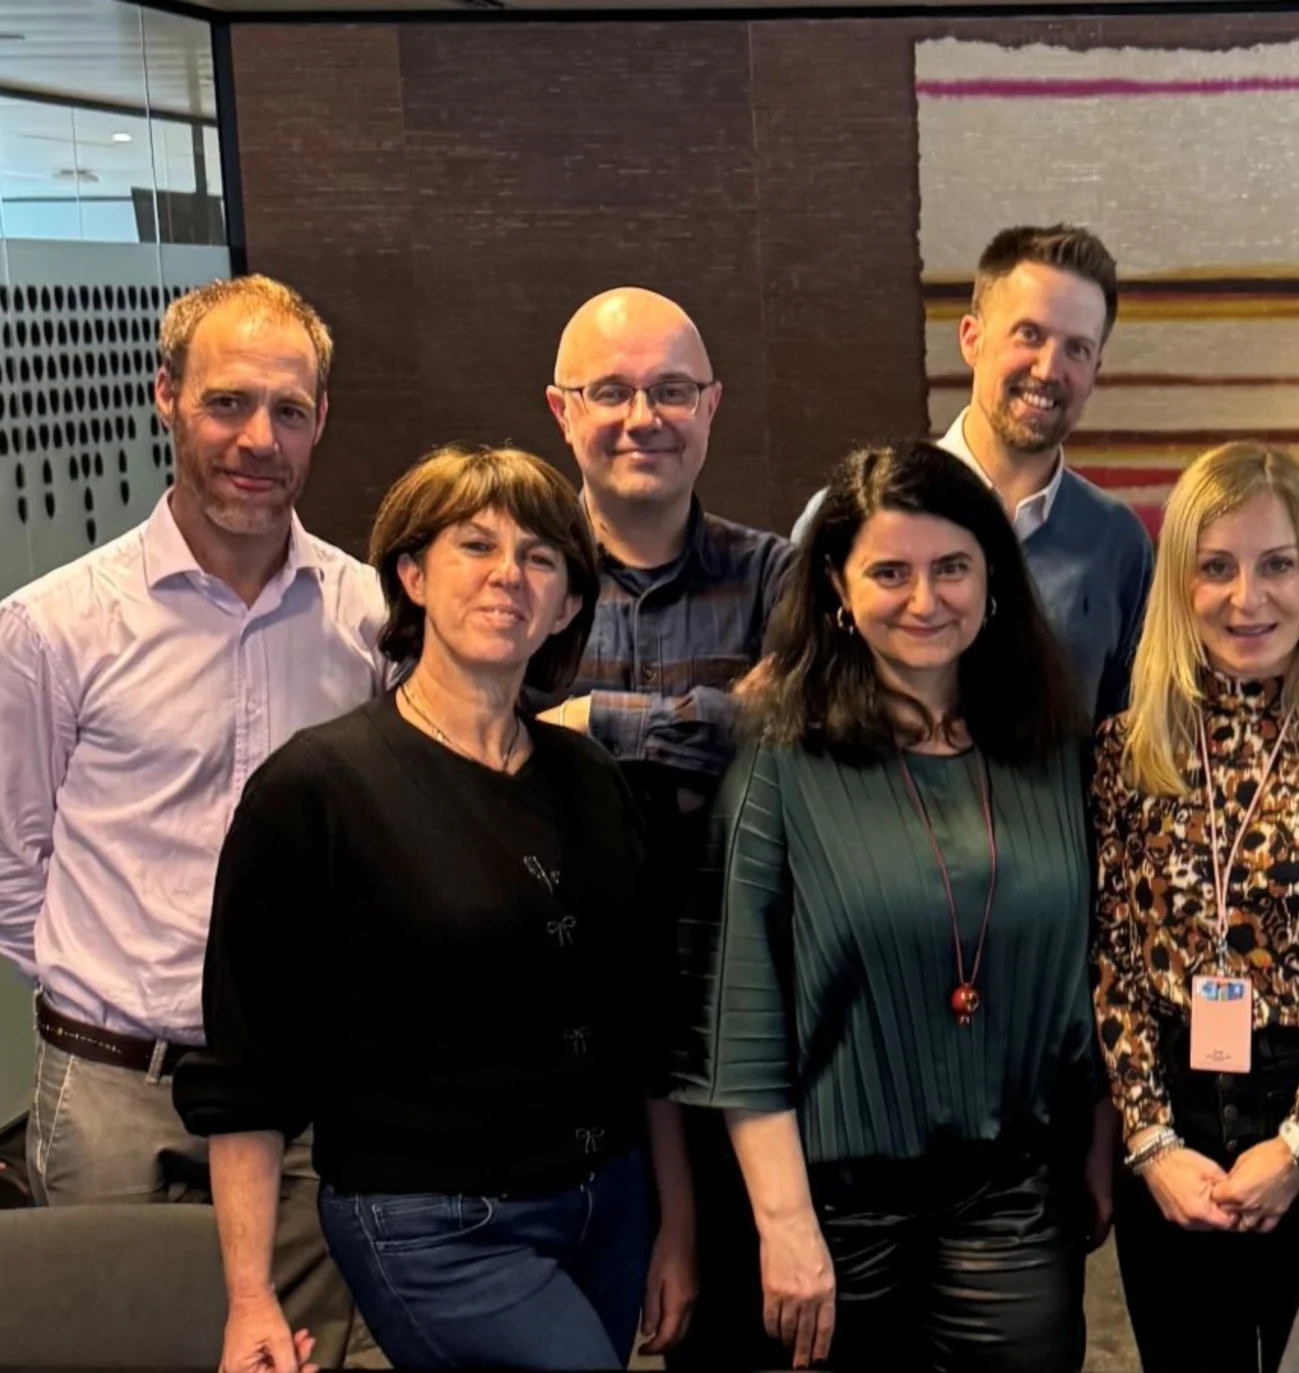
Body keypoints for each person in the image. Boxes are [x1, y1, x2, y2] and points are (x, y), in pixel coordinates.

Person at [174, 444, 696, 1372]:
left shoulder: (592, 777)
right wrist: (250, 1294)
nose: (509, 574)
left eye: (541, 557)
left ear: (568, 603)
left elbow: (642, 1025)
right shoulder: (316, 788)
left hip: (608, 1207)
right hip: (435, 1225)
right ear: (412, 576)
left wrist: (676, 1224)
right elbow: (249, 1067)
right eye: (476, 545)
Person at [0, 274, 376, 1365]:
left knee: (301, 1355)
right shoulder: (47, 632)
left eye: (288, 410)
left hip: (302, 1101)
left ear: (321, 419)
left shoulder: (371, 622)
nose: (258, 439)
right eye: (227, 401)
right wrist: (118, 971)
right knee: (121, 1344)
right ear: (167, 396)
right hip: (113, 1096)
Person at [681, 440, 1102, 1373]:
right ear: (838, 584)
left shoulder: (1054, 749)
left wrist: (1100, 1142)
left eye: (952, 566)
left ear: (992, 577)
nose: (925, 598)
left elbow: (1097, 971)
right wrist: (784, 1224)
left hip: (1015, 1194)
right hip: (833, 1206)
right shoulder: (780, 761)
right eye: (889, 572)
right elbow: (736, 1013)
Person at [1093, 442, 1299, 1373]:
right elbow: (1114, 961)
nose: (1248, 598)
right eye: (1217, 567)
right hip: (1174, 1121)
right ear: (1181, 584)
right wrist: (1151, 1141)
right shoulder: (1128, 749)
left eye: (1278, 564)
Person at [539, 284, 795, 1371]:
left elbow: (788, 732)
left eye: (672, 390)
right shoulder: (520, 577)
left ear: (712, 405)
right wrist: (708, 721)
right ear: (561, 410)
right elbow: (471, 748)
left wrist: (583, 721)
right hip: (554, 1048)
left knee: (736, 1342)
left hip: (728, 1037)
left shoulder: (776, 575)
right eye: (611, 391)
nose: (643, 417)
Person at [795, 224, 1153, 719]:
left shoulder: (1120, 544)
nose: (1049, 369)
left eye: (1077, 348)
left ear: (1095, 373)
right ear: (972, 339)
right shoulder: (847, 520)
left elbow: (1126, 735)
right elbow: (793, 703)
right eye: (1030, 334)